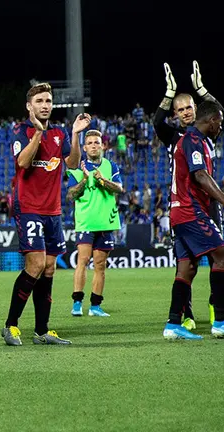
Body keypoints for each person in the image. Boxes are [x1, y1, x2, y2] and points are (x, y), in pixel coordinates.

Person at [1, 82, 90, 346]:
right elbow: (22, 162)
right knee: (36, 265)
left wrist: (75, 134)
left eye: (48, 101)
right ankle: (10, 326)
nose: (45, 105)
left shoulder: (60, 133)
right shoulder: (21, 131)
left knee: (49, 268)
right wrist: (38, 134)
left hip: (52, 211)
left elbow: (73, 163)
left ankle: (42, 331)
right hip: (28, 208)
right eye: (39, 101)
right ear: (29, 106)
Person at [163, 100, 224, 340]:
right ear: (211, 121)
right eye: (219, 123)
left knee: (187, 268)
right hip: (190, 211)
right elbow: (200, 175)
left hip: (178, 213)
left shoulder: (190, 140)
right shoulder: (193, 140)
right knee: (222, 258)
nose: (220, 127)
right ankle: (221, 321)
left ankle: (173, 324)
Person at [154, 61, 224, 330]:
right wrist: (169, 93)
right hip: (185, 204)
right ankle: (187, 314)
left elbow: (218, 113)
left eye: (189, 107)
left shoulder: (207, 132)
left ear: (196, 108)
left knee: (216, 257)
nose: (186, 112)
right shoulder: (173, 136)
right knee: (185, 262)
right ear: (175, 113)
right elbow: (156, 121)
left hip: (209, 204)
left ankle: (216, 306)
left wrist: (201, 88)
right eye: (180, 109)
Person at [66, 130, 124, 317]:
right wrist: (85, 179)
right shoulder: (77, 167)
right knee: (82, 261)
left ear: (102, 146)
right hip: (86, 222)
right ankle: (77, 303)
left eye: (96, 142)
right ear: (84, 147)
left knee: (100, 265)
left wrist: (102, 180)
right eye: (89, 143)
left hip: (106, 222)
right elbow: (71, 194)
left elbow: (119, 188)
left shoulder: (111, 166)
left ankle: (95, 306)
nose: (93, 145)